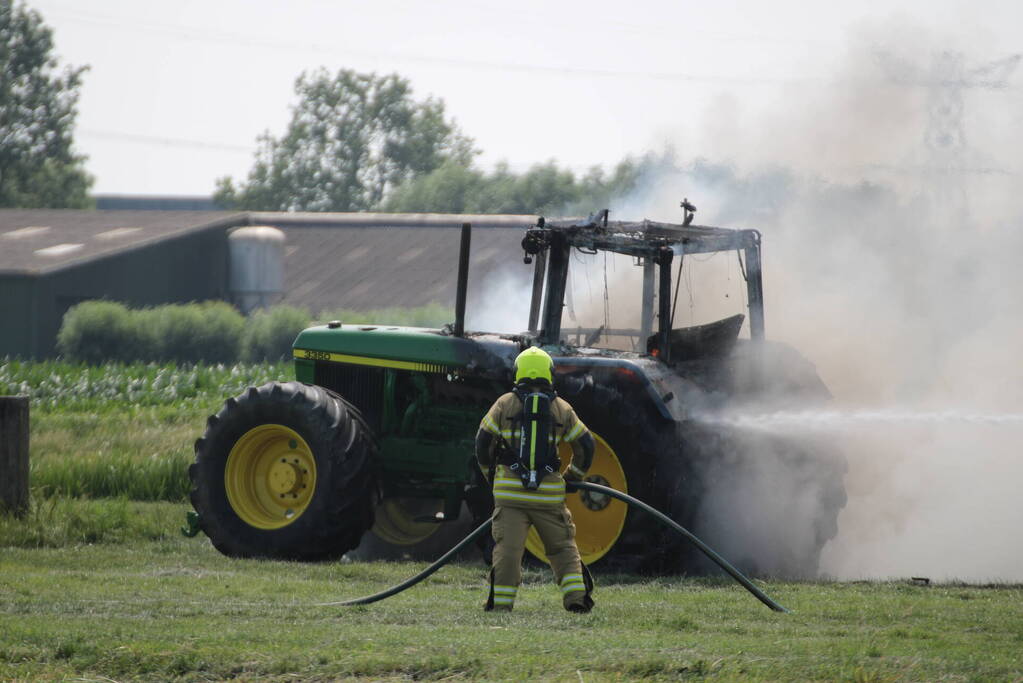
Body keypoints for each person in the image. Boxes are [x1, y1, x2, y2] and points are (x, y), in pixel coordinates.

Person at [475, 346, 596, 613]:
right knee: (562, 548)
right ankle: (576, 599)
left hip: (509, 495)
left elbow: (483, 442)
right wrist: (572, 478)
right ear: (549, 374)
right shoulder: (562, 408)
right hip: (549, 495)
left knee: (508, 550)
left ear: (518, 373)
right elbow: (586, 446)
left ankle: (502, 605)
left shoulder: (504, 403)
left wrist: (490, 474)